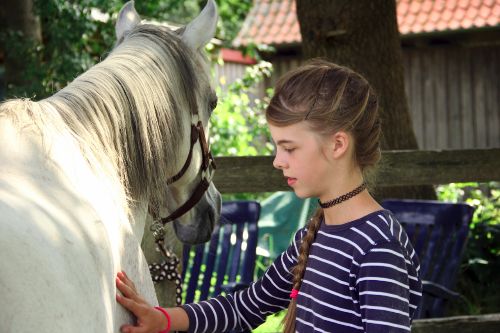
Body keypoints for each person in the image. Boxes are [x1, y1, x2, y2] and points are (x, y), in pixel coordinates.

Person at [116, 59, 423, 333]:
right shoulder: (312, 236)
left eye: (289, 148)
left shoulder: (378, 246)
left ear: (338, 145)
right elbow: (246, 307)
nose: (278, 161)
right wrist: (164, 320)